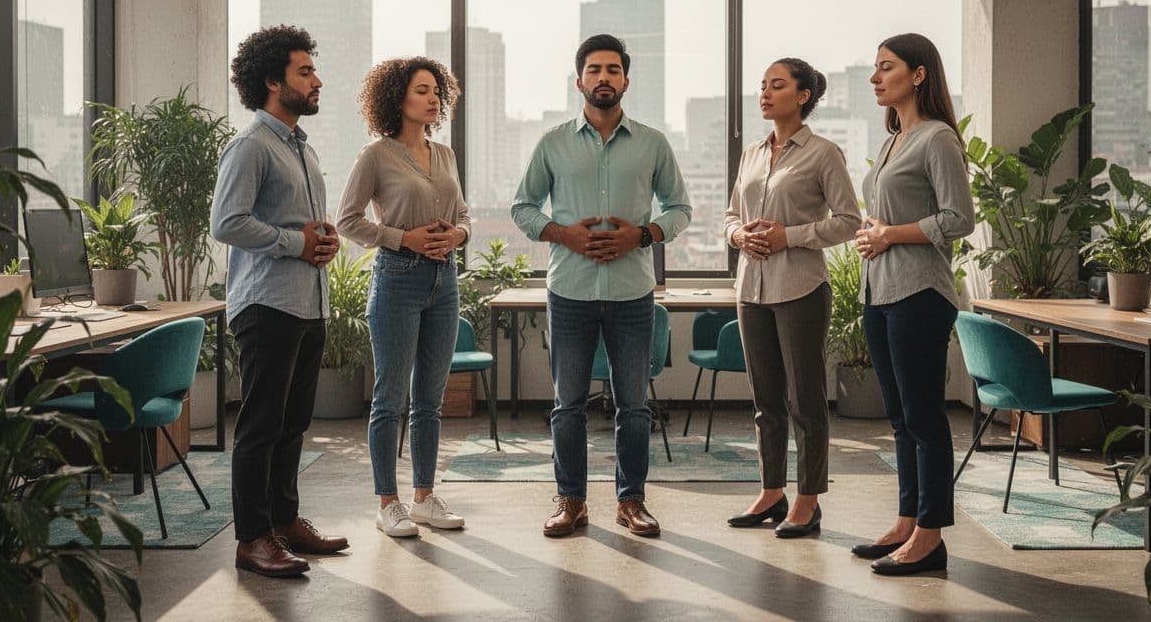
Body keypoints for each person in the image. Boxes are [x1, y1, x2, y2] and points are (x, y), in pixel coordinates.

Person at [512, 33, 692, 538]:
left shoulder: (653, 143)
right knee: (567, 404)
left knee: (633, 406)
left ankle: (631, 502)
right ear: (579, 81)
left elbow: (680, 208)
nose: (604, 77)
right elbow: (522, 207)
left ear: (626, 81)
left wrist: (643, 234)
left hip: (632, 293)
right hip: (569, 292)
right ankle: (571, 501)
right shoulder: (552, 143)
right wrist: (563, 234)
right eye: (594, 69)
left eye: (613, 69)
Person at [212, 24, 349, 578]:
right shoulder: (250, 146)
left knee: (293, 424)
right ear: (273, 81)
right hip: (266, 304)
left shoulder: (301, 147)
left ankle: (285, 522)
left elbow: (303, 226)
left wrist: (324, 240)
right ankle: (252, 539)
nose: (318, 81)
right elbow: (227, 223)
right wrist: (297, 243)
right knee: (262, 426)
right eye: (305, 72)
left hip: (307, 304)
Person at [723, 58, 861, 538]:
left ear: (803, 97)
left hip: (801, 288)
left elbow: (849, 221)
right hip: (751, 289)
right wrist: (738, 235)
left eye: (777, 85)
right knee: (765, 401)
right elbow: (730, 214)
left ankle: (808, 500)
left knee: (805, 401)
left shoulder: (824, 153)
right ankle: (771, 492)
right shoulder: (752, 153)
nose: (764, 93)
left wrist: (790, 235)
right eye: (762, 85)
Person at [853, 33, 974, 576]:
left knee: (925, 418)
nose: (875, 77)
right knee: (901, 420)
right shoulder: (893, 141)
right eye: (875, 68)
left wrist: (890, 234)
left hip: (920, 294)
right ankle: (907, 521)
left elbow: (959, 218)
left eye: (887, 67)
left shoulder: (937, 138)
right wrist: (873, 233)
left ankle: (931, 535)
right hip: (879, 292)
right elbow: (889, 217)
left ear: (918, 74)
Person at [336, 57, 470, 539]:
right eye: (421, 90)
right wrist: (402, 238)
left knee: (430, 400)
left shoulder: (446, 154)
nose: (432, 99)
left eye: (436, 91)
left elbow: (464, 215)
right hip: (397, 280)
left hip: (445, 282)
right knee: (390, 399)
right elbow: (347, 220)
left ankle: (424, 498)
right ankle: (387, 503)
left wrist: (457, 235)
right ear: (397, 98)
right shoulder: (376, 155)